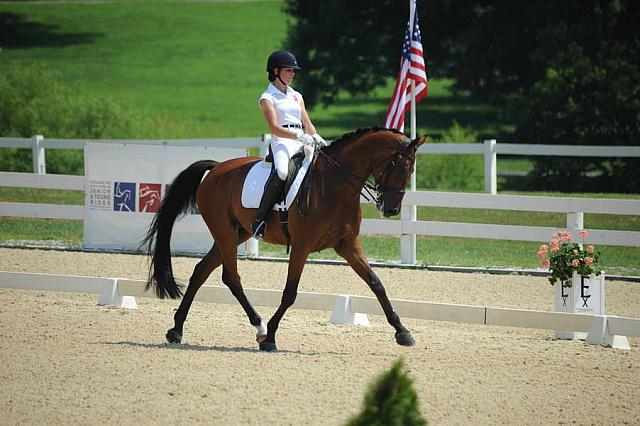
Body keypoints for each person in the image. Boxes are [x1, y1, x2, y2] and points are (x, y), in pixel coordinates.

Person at [250, 50, 327, 239]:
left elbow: (307, 122)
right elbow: (275, 128)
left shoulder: (296, 96)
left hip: (303, 139)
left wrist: (315, 136)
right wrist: (297, 135)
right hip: (282, 141)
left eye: (293, 71)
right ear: (275, 71)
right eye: (288, 70)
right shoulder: (267, 98)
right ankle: (260, 218)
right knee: (283, 171)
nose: (292, 74)